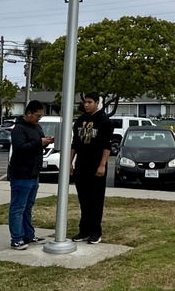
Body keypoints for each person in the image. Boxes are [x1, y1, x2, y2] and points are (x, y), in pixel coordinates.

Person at [7, 99, 53, 250]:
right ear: (29, 113)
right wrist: (39, 143)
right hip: (21, 174)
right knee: (18, 207)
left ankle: (28, 234)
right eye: (37, 115)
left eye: (40, 116)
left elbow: (37, 144)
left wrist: (46, 142)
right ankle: (16, 238)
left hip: (34, 173)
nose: (39, 119)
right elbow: (20, 148)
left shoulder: (36, 127)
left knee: (28, 206)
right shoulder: (19, 129)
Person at [70, 92, 113, 244]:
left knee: (96, 200)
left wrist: (102, 165)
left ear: (97, 103)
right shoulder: (80, 120)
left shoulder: (104, 120)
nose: (86, 105)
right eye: (85, 102)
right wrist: (70, 162)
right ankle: (84, 231)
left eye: (89, 102)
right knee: (84, 200)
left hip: (96, 167)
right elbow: (75, 143)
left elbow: (107, 146)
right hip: (81, 165)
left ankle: (96, 232)